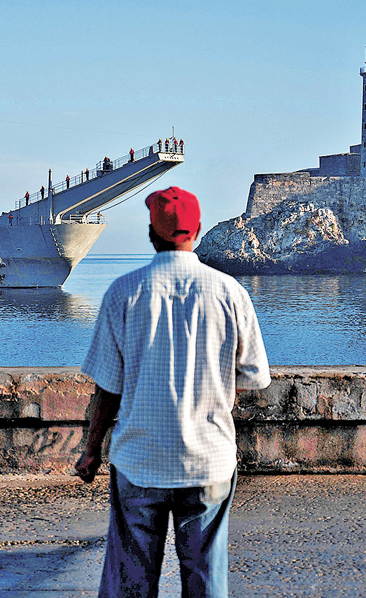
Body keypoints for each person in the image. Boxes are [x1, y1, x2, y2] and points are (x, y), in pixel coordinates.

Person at [75, 186, 270, 598]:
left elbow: (108, 387)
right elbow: (254, 375)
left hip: (139, 459)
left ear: (152, 232)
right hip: (208, 459)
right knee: (207, 581)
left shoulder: (123, 293)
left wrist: (92, 450)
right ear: (197, 230)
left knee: (130, 581)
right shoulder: (230, 293)